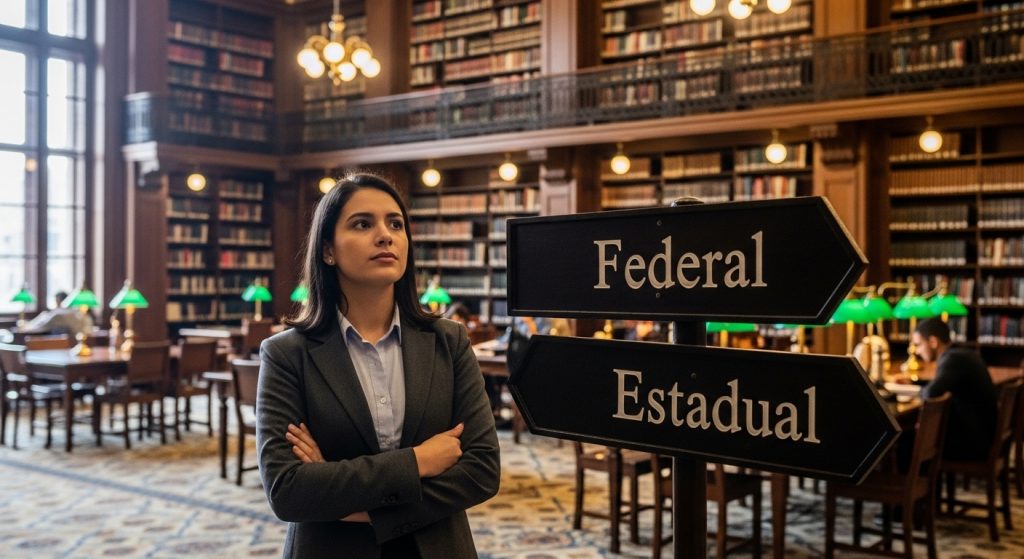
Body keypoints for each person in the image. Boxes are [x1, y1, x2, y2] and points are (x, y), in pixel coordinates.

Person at [256, 173, 500, 558]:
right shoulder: (286, 355)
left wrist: (355, 506)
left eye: (395, 224)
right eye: (362, 224)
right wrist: (419, 461)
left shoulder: (448, 341)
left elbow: (482, 470)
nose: (385, 235)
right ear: (328, 250)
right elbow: (288, 491)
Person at [913, 317, 997, 460]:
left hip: (974, 444)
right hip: (985, 436)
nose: (917, 351)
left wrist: (917, 391)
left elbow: (931, 392)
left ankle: (913, 481)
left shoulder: (952, 359)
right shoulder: (961, 354)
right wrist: (916, 385)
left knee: (908, 441)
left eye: (919, 344)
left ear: (933, 342)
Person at [17, 290, 94, 336]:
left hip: (55, 345)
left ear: (59, 301)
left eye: (56, 301)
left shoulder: (59, 314)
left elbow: (40, 327)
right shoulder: (76, 314)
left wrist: (25, 327)